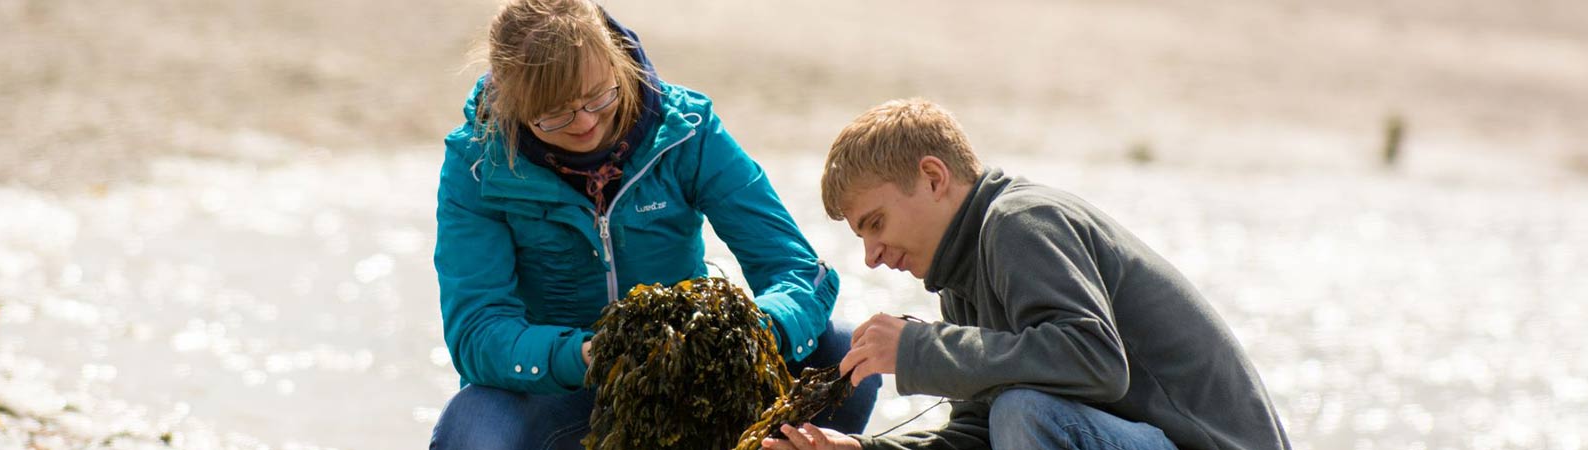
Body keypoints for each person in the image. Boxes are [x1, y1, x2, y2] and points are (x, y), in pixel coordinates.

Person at [429, 1, 878, 448]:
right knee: (472, 423)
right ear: (512, 103)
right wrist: (589, 356)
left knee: (843, 353)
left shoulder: (687, 131)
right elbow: (478, 330)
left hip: (699, 382)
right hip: (560, 391)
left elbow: (801, 271)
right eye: (554, 114)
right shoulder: (476, 165)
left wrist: (753, 335)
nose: (585, 122)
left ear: (616, 62)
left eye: (599, 96)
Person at [762, 99, 1290, 450]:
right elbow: (975, 434)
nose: (872, 256)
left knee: (1024, 413)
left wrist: (920, 350)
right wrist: (863, 449)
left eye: (875, 224)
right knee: (1008, 416)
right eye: (861, 237)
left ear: (932, 177)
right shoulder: (962, 278)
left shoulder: (1019, 221)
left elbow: (1095, 361)